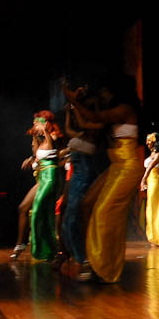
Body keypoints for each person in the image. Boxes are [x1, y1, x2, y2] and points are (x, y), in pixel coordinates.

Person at [64, 77, 141, 283]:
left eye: (106, 92)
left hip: (128, 167)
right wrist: (74, 103)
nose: (103, 95)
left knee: (103, 211)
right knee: (87, 205)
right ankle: (93, 259)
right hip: (116, 166)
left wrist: (73, 100)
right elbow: (85, 121)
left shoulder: (125, 109)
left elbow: (93, 115)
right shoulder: (111, 114)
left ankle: (104, 269)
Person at [59, 98, 102, 272]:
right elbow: (69, 130)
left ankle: (83, 258)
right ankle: (76, 256)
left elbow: (83, 121)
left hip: (84, 177)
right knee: (66, 217)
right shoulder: (82, 134)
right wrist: (69, 112)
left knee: (73, 219)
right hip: (75, 177)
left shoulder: (94, 130)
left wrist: (74, 104)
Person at [26, 110, 63, 261]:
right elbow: (36, 155)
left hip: (51, 177)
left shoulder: (52, 137)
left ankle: (44, 249)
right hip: (42, 177)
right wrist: (35, 136)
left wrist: (45, 131)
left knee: (37, 210)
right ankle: (48, 250)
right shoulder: (40, 141)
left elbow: (53, 146)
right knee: (45, 213)